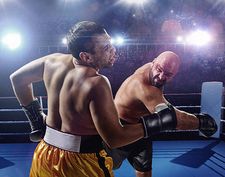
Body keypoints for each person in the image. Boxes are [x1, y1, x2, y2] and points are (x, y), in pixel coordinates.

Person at [10, 21, 178, 177]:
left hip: (45, 155)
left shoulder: (51, 62)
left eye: (110, 42)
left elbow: (17, 79)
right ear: (86, 57)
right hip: (81, 163)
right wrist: (159, 122)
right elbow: (114, 138)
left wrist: (36, 119)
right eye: (105, 48)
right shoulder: (96, 82)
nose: (113, 50)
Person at [104, 51, 218, 177]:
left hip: (141, 128)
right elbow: (172, 119)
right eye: (159, 69)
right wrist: (201, 122)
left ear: (174, 75)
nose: (161, 76)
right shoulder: (144, 86)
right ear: (153, 63)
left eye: (168, 74)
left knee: (144, 171)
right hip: (121, 128)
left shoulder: (152, 67)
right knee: (102, 168)